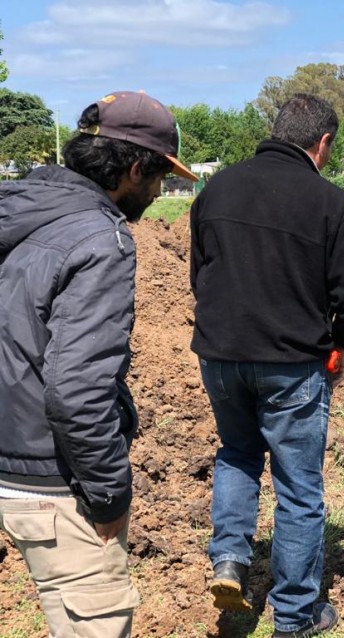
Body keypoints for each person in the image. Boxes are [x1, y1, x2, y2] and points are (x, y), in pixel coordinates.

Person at [0, 91, 197, 637]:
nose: (159, 192)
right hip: (52, 480)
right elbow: (77, 391)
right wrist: (108, 494)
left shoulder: (21, 212)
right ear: (134, 170)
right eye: (160, 177)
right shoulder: (100, 239)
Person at [190, 93, 344, 638]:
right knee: (298, 486)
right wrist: (341, 343)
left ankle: (230, 560)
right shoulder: (332, 203)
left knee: (237, 453)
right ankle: (295, 617)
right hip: (292, 363)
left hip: (221, 357)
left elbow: (201, 274)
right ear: (323, 142)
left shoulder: (216, 189)